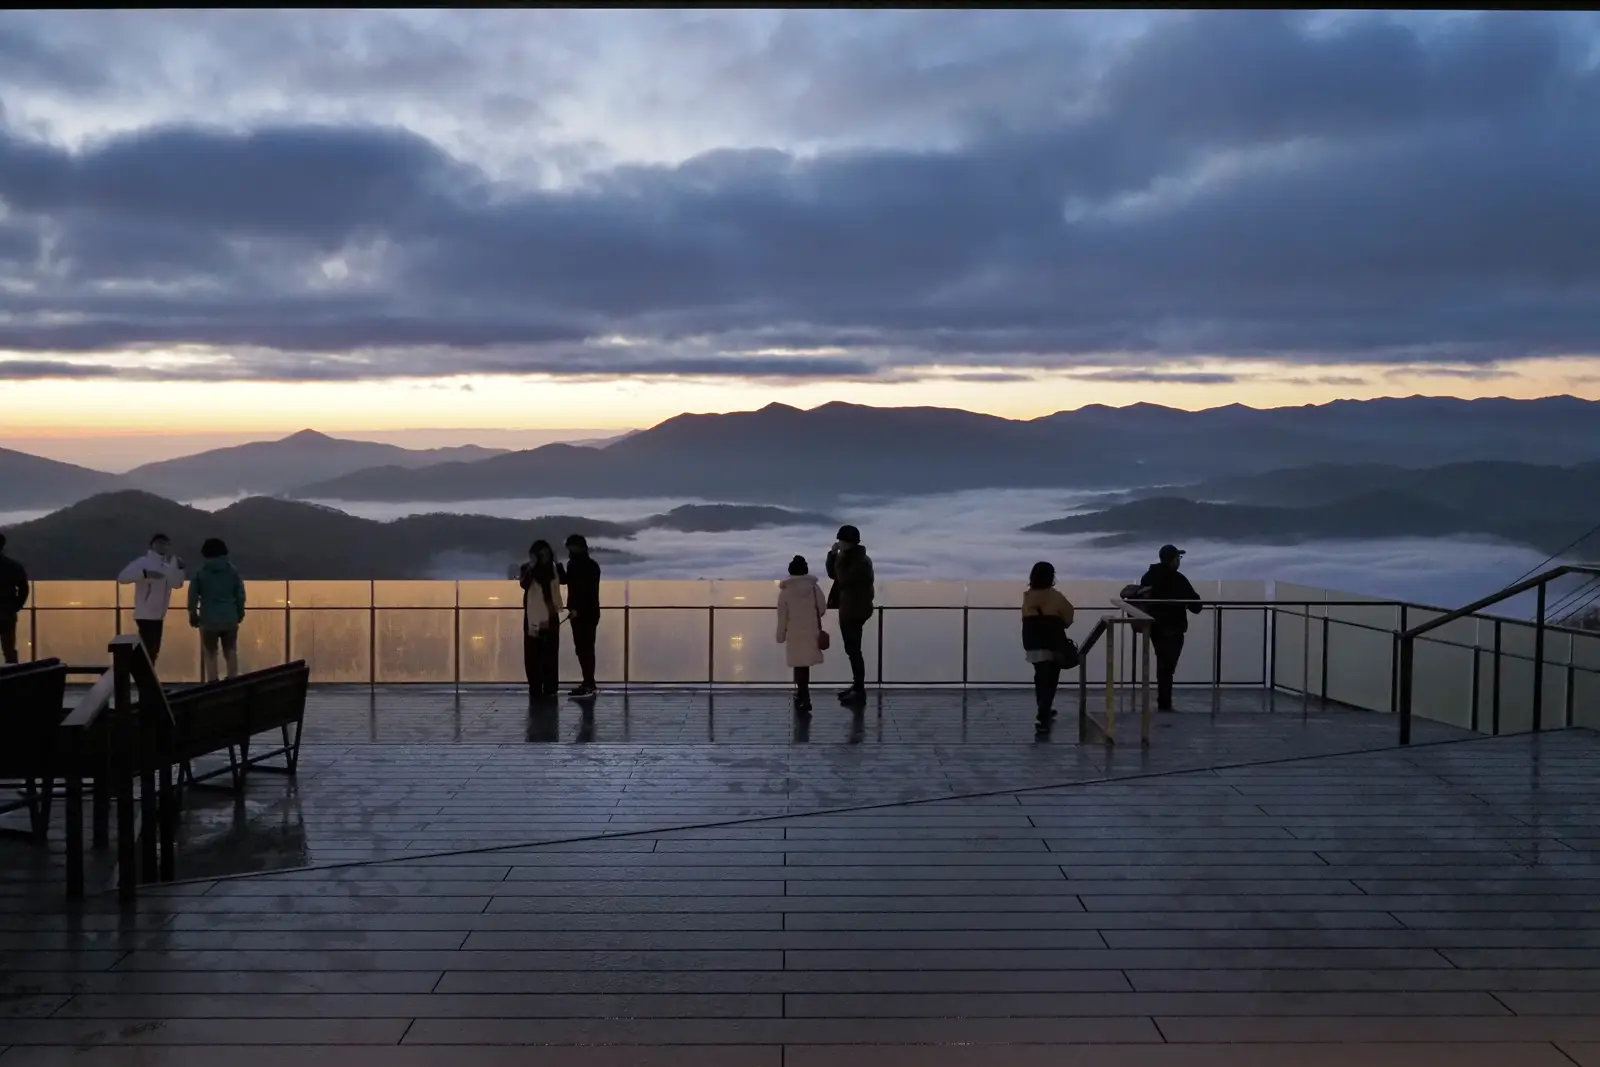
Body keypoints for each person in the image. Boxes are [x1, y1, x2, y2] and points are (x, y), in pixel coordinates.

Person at [1131, 544, 1203, 711]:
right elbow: (1196, 605)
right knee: (1167, 666)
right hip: (1174, 628)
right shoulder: (1178, 579)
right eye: (1178, 558)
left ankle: (1163, 700)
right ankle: (1164, 702)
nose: (1179, 561)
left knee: (1162, 663)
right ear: (1172, 561)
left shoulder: (1148, 576)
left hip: (1154, 627)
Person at [117, 533, 186, 665]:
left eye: (166, 544)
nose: (163, 546)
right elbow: (122, 577)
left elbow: (177, 584)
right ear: (152, 545)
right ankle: (143, 681)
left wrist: (180, 569)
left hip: (159, 615)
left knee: (152, 651)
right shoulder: (143, 562)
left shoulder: (167, 566)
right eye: (160, 543)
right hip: (145, 614)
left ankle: (147, 682)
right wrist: (144, 574)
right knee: (148, 650)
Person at [1021, 561, 1076, 726]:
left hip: (1033, 642)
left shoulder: (1028, 597)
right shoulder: (1055, 597)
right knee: (1052, 676)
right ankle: (1045, 707)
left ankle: (1042, 706)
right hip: (1053, 642)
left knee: (1040, 675)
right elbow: (1068, 616)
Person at [825, 524, 875, 704]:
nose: (840, 544)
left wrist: (837, 558)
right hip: (850, 608)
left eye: (842, 541)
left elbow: (844, 579)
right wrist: (832, 555)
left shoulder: (860, 561)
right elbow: (833, 574)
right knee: (852, 650)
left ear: (850, 542)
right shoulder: (850, 558)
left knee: (854, 650)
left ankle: (859, 691)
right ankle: (857, 686)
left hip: (855, 610)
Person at [188, 538, 246, 682]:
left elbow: (193, 595)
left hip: (208, 618)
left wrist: (192, 613)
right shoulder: (232, 571)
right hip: (229, 616)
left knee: (210, 651)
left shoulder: (201, 572)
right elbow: (240, 594)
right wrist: (240, 612)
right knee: (231, 648)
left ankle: (213, 680)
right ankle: (233, 677)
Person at [776, 555, 828, 714]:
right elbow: (822, 609)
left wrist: (780, 635)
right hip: (811, 631)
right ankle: (803, 695)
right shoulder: (814, 588)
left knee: (799, 664)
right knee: (804, 665)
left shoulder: (785, 592)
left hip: (794, 633)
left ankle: (802, 695)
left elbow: (782, 617)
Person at [519, 539, 564, 700]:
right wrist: (531, 567)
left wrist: (558, 564)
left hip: (551, 615)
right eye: (541, 554)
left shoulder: (554, 570)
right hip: (534, 617)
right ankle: (535, 686)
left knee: (550, 653)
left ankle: (550, 686)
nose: (545, 557)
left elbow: (564, 579)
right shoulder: (527, 569)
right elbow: (524, 584)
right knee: (532, 654)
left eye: (547, 553)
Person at [563, 534, 602, 697]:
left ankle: (589, 682)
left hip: (583, 613)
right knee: (584, 648)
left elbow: (586, 592)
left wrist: (577, 609)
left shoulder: (581, 566)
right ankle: (588, 681)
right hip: (584, 612)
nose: (570, 551)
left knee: (584, 648)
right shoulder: (589, 565)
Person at [0, 534, 27, 665]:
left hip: (7, 612)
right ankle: (13, 679)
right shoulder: (14, 566)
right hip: (7, 613)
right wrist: (16, 606)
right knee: (9, 650)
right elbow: (24, 589)